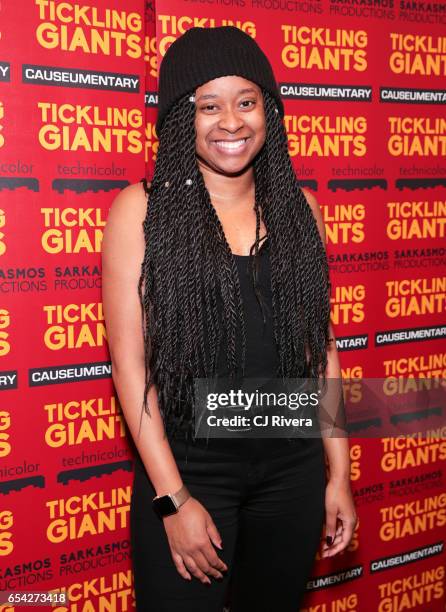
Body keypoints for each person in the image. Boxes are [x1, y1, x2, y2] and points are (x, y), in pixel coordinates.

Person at [102, 25, 357, 612]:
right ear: (178, 120)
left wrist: (337, 473)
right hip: (192, 471)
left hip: (291, 471)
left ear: (268, 108)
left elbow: (320, 349)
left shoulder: (301, 210)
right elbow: (131, 368)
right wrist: (173, 501)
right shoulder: (140, 212)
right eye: (207, 106)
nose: (231, 122)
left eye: (246, 101)